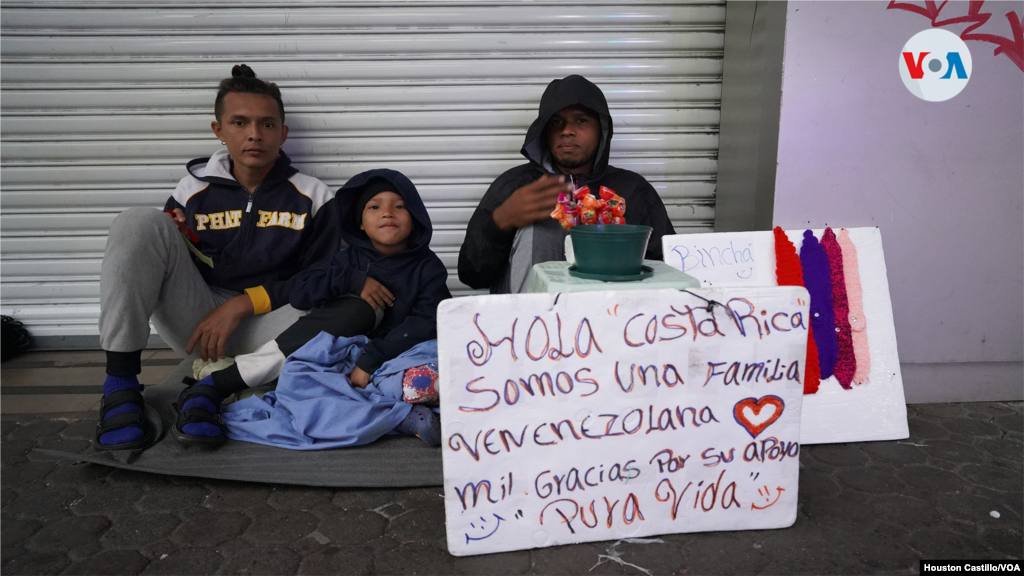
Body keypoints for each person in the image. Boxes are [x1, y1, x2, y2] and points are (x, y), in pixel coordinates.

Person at [95, 65, 341, 450]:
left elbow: (322, 278)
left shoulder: (313, 195)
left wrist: (246, 303)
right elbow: (163, 266)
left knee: (351, 299)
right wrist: (179, 242)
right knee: (138, 222)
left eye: (267, 124)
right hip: (203, 325)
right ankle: (120, 388)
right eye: (240, 122)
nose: (254, 135)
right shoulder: (191, 189)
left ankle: (212, 389)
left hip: (274, 327)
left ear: (283, 133)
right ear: (219, 131)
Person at [173, 169, 451, 447]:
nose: (388, 213)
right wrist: (353, 280)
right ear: (360, 224)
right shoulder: (346, 262)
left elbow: (428, 321)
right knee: (304, 383)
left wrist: (372, 359)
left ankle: (397, 413)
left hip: (394, 355)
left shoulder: (428, 267)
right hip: (342, 357)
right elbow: (302, 293)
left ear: (415, 220)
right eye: (374, 207)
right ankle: (399, 414)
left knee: (438, 363)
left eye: (400, 206)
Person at [458, 75, 676, 294]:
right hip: (531, 320)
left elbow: (669, 268)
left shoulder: (632, 188)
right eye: (556, 122)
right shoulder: (515, 186)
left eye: (581, 120)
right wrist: (499, 224)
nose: (567, 130)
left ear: (601, 129)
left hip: (611, 317)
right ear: (544, 133)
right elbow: (472, 276)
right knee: (541, 229)